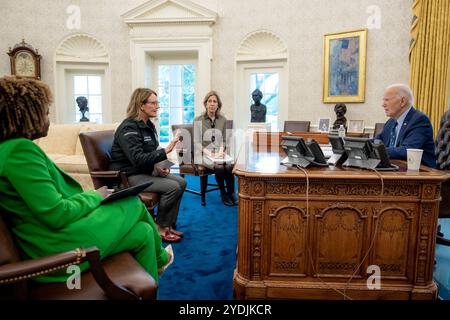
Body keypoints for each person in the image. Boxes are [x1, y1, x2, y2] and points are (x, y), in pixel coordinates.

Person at [0, 76, 171, 283]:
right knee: (133, 203)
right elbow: (57, 213)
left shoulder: (8, 149)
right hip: (55, 246)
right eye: (45, 112)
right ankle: (162, 259)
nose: (48, 118)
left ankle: (152, 280)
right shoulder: (20, 150)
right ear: (27, 114)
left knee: (143, 232)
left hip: (53, 234)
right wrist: (96, 195)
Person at [109, 88, 186, 242]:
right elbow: (137, 159)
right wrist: (166, 150)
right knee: (173, 186)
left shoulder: (148, 125)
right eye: (153, 103)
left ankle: (168, 224)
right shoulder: (129, 127)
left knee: (182, 182)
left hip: (144, 171)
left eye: (158, 103)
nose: (157, 106)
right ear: (141, 105)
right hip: (128, 176)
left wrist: (159, 166)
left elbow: (149, 153)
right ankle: (160, 227)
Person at [375, 83, 436, 168]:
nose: (383, 104)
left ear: (402, 101)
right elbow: (377, 142)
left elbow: (407, 150)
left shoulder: (419, 120)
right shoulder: (391, 122)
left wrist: (377, 150)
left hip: (422, 174)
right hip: (395, 169)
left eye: (387, 100)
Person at [194, 91, 237, 206]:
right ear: (206, 104)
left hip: (218, 152)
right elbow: (197, 143)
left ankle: (231, 192)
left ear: (218, 105)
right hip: (203, 154)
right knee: (219, 167)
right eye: (210, 101)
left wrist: (220, 151)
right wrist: (210, 154)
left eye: (215, 101)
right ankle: (223, 193)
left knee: (228, 166)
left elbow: (223, 139)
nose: (212, 104)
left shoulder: (222, 119)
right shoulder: (198, 120)